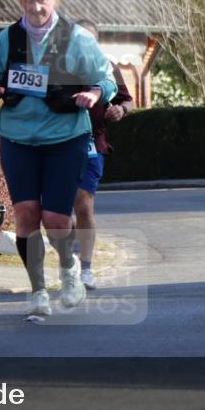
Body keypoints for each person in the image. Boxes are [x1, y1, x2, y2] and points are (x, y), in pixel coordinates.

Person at [0, 0, 118, 316]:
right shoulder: (7, 41)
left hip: (65, 138)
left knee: (55, 219)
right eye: (29, 2)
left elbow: (108, 79)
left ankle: (69, 269)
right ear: (21, 1)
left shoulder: (76, 39)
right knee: (25, 216)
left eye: (43, 1)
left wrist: (96, 95)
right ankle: (38, 290)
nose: (36, 8)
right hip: (19, 138)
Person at [73, 20, 134, 290]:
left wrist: (121, 111)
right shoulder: (59, 68)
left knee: (83, 205)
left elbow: (126, 100)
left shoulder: (107, 68)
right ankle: (68, 261)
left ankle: (85, 268)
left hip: (91, 146)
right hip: (57, 144)